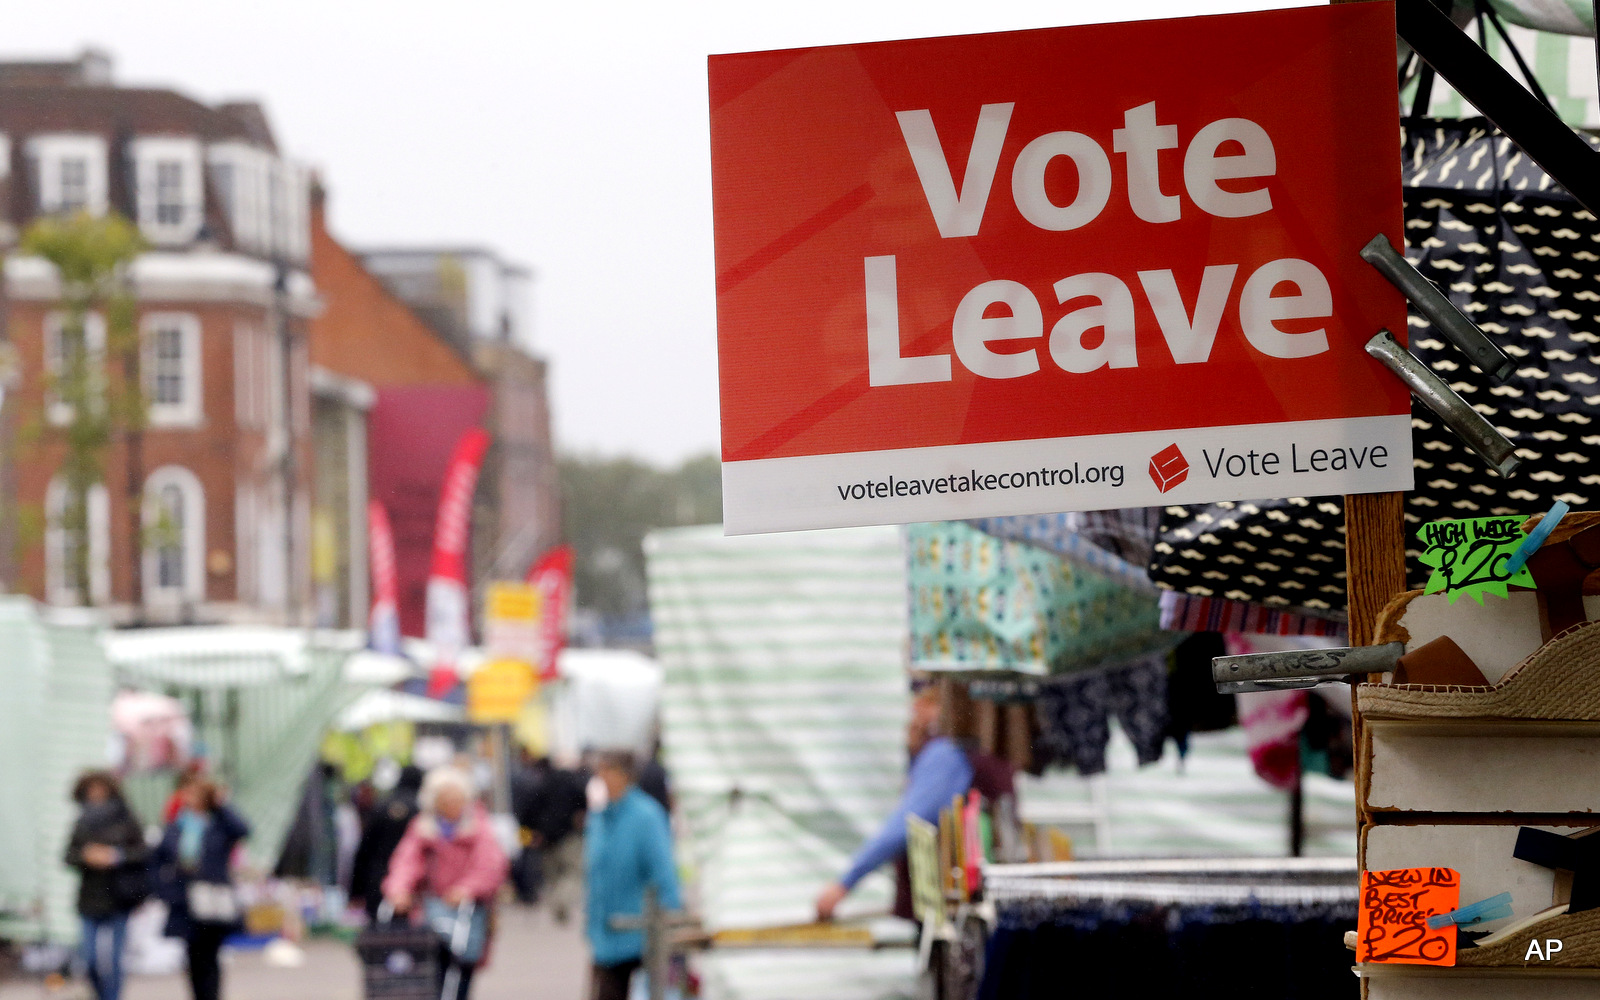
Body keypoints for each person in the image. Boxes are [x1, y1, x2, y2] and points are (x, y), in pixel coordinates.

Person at [815, 687, 1012, 921]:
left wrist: (843, 886)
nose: (915, 709)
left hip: (957, 905)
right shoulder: (961, 751)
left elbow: (907, 824)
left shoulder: (946, 753)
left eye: (925, 701)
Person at [382, 767, 508, 1000]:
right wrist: (398, 890)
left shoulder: (479, 827)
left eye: (456, 798)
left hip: (467, 912)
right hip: (431, 908)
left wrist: (468, 888)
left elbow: (491, 865)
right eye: (445, 798)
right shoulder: (423, 827)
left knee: (461, 969)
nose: (451, 803)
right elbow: (406, 861)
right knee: (431, 968)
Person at [584, 750, 681, 1000]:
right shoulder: (599, 817)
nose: (601, 777)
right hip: (605, 936)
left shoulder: (646, 816)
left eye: (607, 770)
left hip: (640, 936)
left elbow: (664, 874)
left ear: (624, 775)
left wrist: (670, 923)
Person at [151, 778, 249, 1000]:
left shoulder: (219, 825)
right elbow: (157, 859)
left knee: (210, 954)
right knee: (192, 955)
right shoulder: (177, 825)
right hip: (184, 899)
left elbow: (243, 829)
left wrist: (222, 804)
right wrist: (162, 889)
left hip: (212, 898)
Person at [64, 771, 148, 1000]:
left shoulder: (126, 819)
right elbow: (68, 856)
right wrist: (87, 856)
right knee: (88, 958)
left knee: (113, 959)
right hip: (90, 897)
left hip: (118, 896)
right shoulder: (82, 822)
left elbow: (143, 853)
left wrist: (116, 856)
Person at [350, 765, 424, 920]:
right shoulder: (420, 810)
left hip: (377, 876)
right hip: (408, 885)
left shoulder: (381, 806)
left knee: (378, 931)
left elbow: (364, 849)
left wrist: (355, 891)